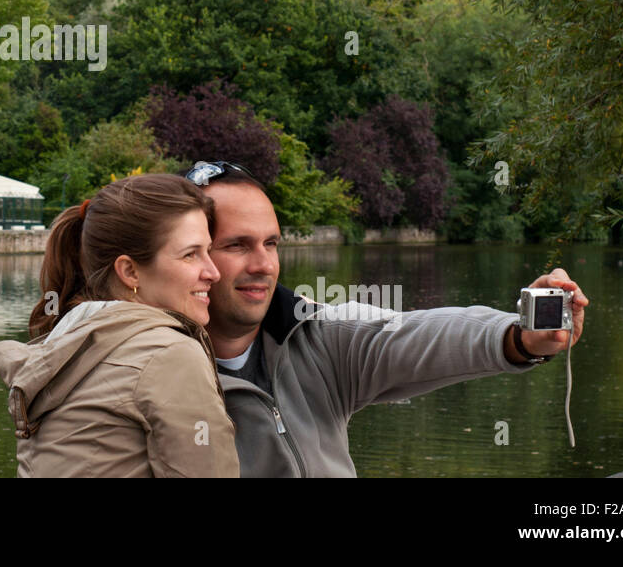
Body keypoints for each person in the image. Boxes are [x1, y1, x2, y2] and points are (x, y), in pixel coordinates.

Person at [183, 160, 590, 478]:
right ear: (192, 255)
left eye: (271, 243)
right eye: (237, 245)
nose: (264, 265)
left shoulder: (317, 336)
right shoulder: (150, 368)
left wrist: (519, 337)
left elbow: (420, 335)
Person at [0, 174, 240, 477]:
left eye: (208, 251)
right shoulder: (169, 354)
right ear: (130, 271)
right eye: (190, 255)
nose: (213, 272)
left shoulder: (65, 344)